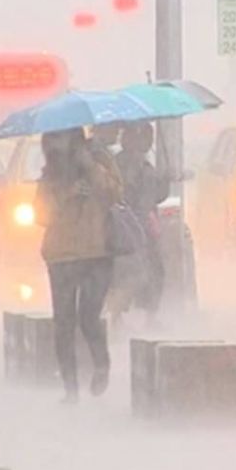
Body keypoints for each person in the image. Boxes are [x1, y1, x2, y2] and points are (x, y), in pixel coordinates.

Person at [34, 127, 122, 403]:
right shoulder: (50, 174)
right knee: (64, 323)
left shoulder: (99, 159)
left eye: (61, 139)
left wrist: (90, 167)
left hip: (97, 253)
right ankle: (70, 389)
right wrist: (67, 194)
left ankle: (101, 364)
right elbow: (41, 214)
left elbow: (115, 194)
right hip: (61, 256)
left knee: (89, 316)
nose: (56, 146)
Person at [109, 122, 170, 323]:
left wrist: (164, 181)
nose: (149, 141)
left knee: (143, 272)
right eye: (145, 136)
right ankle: (134, 316)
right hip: (132, 228)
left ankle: (126, 316)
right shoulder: (130, 166)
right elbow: (145, 199)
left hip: (132, 227)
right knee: (143, 272)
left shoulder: (130, 163)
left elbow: (155, 196)